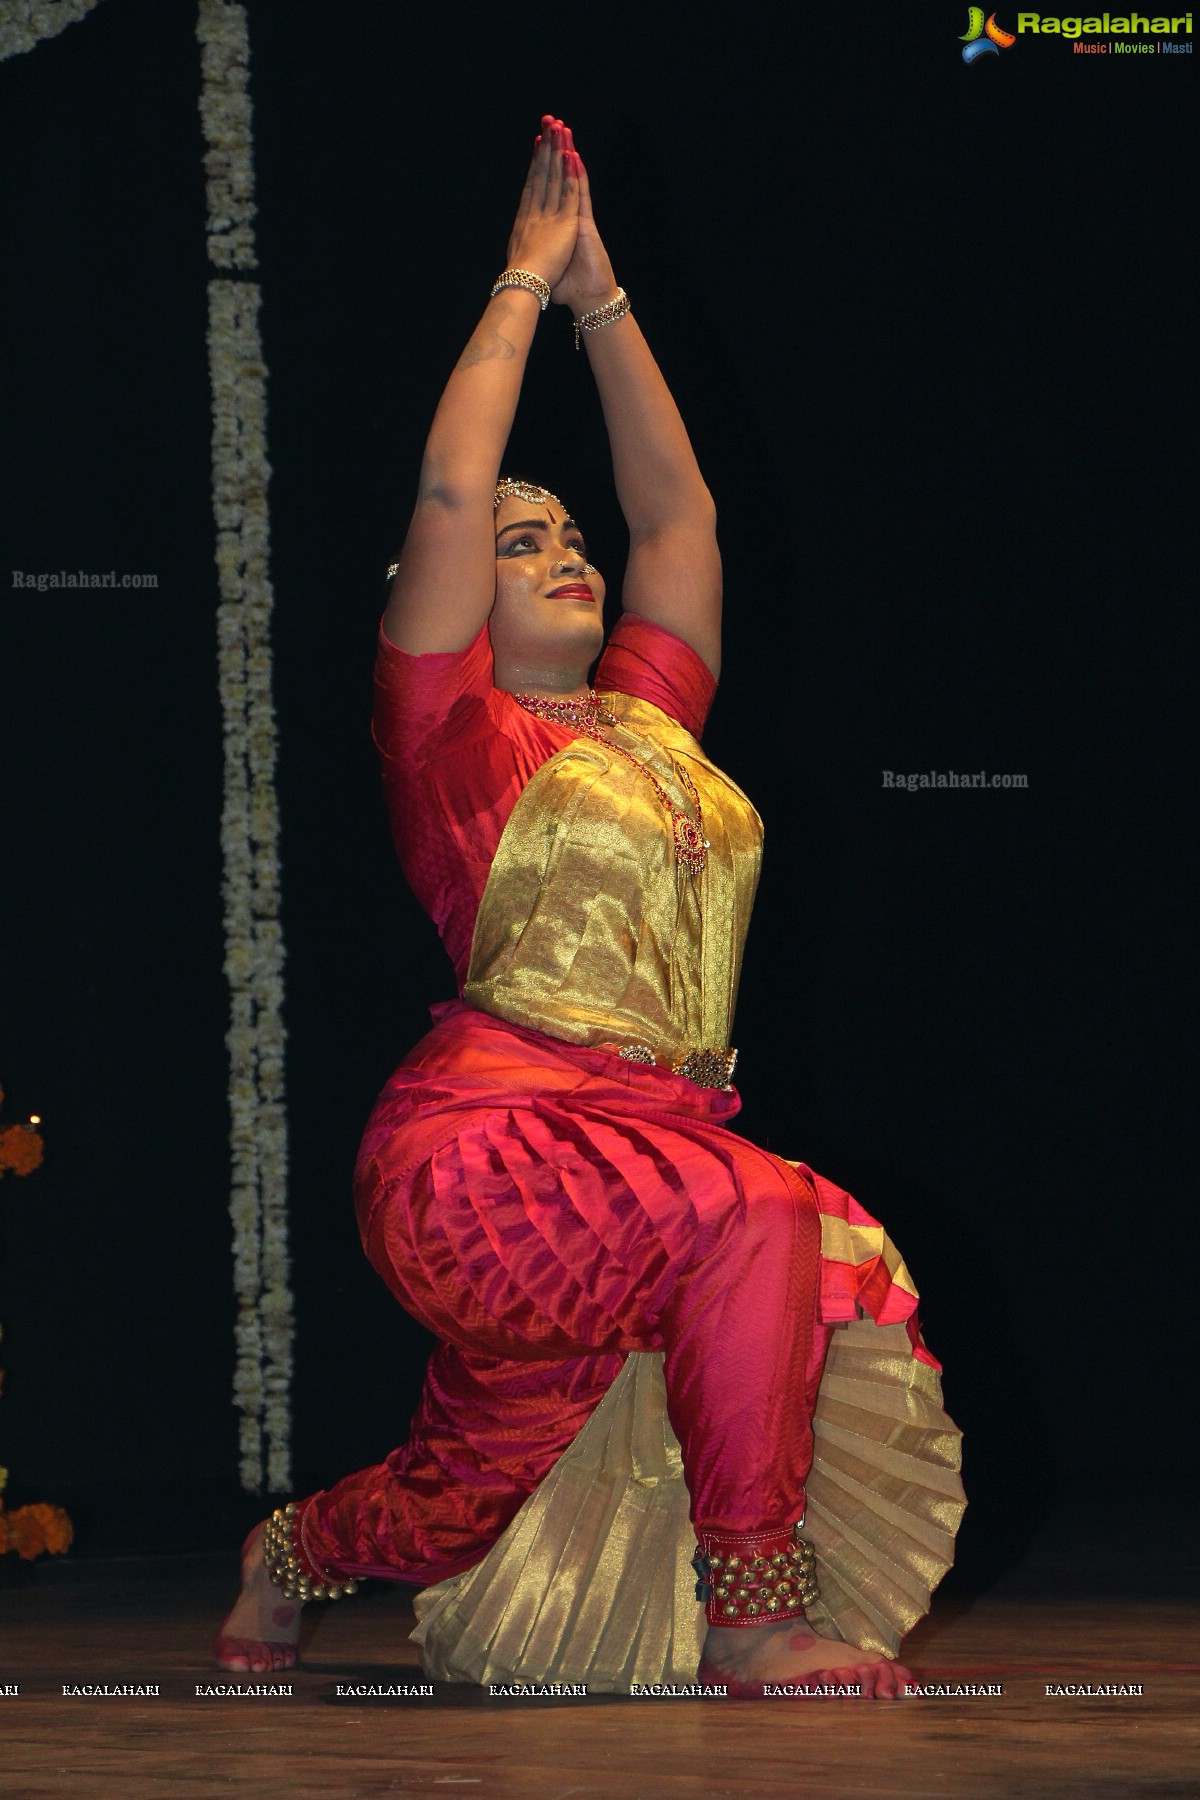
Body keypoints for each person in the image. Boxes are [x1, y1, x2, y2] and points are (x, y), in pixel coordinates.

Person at [214, 117, 962, 1698]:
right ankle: (753, 1620)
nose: (563, 552)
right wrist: (518, 284)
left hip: (642, 1152)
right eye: (520, 541)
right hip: (478, 1159)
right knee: (758, 1216)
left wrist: (608, 302)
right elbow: (443, 484)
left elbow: (680, 524)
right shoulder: (447, 737)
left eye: (568, 539)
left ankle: (286, 1559)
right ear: (458, 594)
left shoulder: (648, 718)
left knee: (461, 1490)